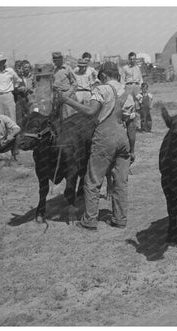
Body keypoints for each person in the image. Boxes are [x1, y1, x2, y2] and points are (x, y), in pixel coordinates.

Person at [59, 62, 136, 230]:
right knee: (120, 183)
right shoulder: (127, 94)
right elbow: (131, 125)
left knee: (92, 181)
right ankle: (120, 219)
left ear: (103, 76)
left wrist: (67, 101)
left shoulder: (101, 90)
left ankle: (89, 220)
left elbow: (90, 112)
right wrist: (132, 149)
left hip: (105, 138)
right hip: (122, 139)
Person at [51, 51, 78, 119]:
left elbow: (75, 83)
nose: (55, 62)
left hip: (68, 96)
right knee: (58, 117)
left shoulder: (67, 69)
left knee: (69, 117)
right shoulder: (54, 70)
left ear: (61, 60)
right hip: (57, 97)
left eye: (57, 61)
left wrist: (68, 93)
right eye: (54, 61)